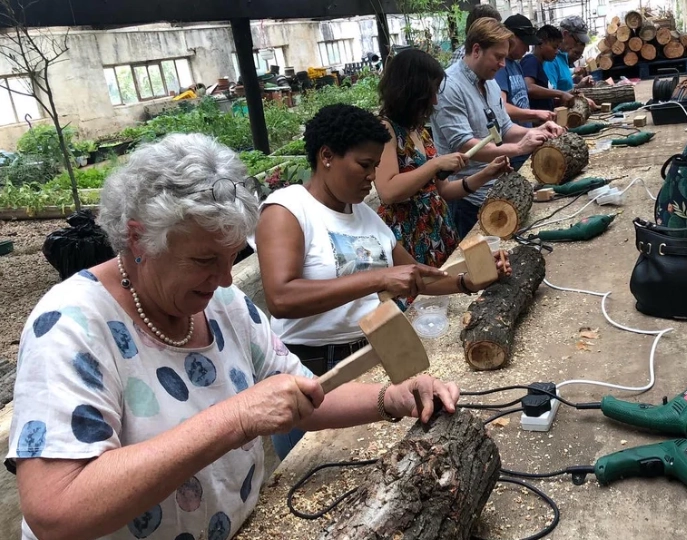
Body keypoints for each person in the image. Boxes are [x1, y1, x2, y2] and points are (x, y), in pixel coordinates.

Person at [4, 132, 462, 540]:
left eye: (231, 257)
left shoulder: (221, 305)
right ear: (138, 239)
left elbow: (306, 392)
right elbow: (56, 510)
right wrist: (237, 418)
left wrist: (392, 398)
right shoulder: (71, 326)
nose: (225, 279)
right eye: (205, 260)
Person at [255, 104, 511, 460]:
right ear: (326, 156)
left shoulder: (365, 217)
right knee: (312, 473)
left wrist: (470, 280)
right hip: (311, 369)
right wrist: (377, 277)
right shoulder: (287, 209)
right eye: (364, 164)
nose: (372, 176)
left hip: (372, 356)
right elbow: (281, 297)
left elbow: (416, 277)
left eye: (376, 165)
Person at [375, 48, 511, 272]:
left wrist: (486, 174)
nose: (436, 100)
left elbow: (444, 190)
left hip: (436, 227)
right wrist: (435, 164)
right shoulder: (386, 130)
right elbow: (388, 191)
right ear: (412, 91)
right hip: (410, 236)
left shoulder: (419, 131)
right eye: (431, 92)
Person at [431, 17, 566, 238]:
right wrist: (519, 148)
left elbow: (505, 129)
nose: (503, 64)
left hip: (498, 190)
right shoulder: (449, 87)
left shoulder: (491, 83)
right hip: (467, 198)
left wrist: (537, 131)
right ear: (476, 50)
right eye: (498, 57)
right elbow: (465, 147)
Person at [495, 14, 556, 170]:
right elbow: (501, 108)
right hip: (514, 147)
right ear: (511, 37)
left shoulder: (516, 65)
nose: (527, 49)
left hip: (526, 139)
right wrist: (534, 114)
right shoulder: (500, 68)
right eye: (524, 43)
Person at [521, 25, 576, 111]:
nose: (557, 51)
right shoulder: (531, 61)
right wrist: (560, 94)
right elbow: (529, 87)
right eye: (554, 47)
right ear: (541, 43)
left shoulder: (540, 65)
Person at [544, 16, 595, 92]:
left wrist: (579, 86)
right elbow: (552, 97)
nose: (577, 45)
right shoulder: (551, 59)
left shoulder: (563, 58)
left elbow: (565, 89)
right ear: (565, 34)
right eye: (577, 40)